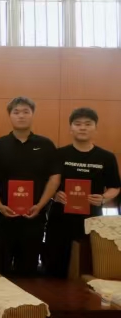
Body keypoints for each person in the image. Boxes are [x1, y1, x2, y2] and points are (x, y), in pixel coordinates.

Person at [0, 97, 59, 277]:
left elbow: (55, 177)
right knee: (0, 269)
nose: (21, 116)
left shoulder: (46, 145)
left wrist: (40, 205)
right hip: (3, 218)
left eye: (25, 112)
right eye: (16, 112)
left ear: (32, 114)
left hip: (35, 217)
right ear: (10, 116)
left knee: (29, 271)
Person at [44, 108, 120, 278]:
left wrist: (103, 198)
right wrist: (54, 195)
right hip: (60, 218)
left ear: (95, 128)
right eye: (78, 124)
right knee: (54, 267)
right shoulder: (59, 154)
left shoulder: (106, 157)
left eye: (88, 124)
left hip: (91, 219)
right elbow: (47, 182)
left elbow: (115, 187)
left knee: (87, 267)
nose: (83, 128)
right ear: (71, 128)